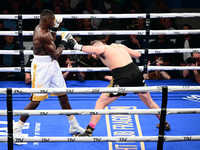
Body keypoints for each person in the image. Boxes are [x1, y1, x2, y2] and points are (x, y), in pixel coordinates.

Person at [60, 33, 171, 136]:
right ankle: (164, 123)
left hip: (122, 77)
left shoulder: (102, 48)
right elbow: (137, 54)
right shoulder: (119, 46)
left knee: (100, 103)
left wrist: (77, 46)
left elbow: (98, 50)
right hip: (136, 74)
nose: (94, 56)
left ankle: (89, 131)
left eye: (93, 54)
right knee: (149, 101)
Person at [13, 9, 84, 144]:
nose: (54, 22)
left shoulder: (43, 28)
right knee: (35, 101)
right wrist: (64, 42)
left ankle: (73, 125)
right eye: (52, 20)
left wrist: (56, 27)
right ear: (47, 20)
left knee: (63, 95)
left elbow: (51, 40)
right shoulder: (42, 33)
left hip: (52, 65)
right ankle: (17, 130)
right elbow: (55, 54)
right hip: (41, 67)